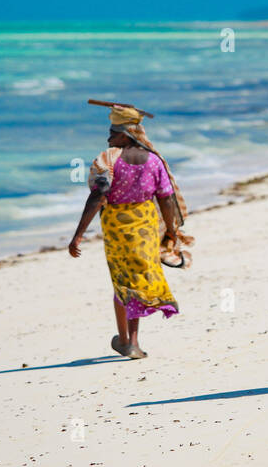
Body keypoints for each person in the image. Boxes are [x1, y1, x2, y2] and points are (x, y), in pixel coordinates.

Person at [68, 104, 190, 359]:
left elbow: (98, 195)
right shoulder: (155, 161)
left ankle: (127, 341)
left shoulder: (110, 159)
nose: (109, 137)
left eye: (113, 132)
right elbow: (166, 198)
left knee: (122, 283)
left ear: (126, 134)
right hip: (145, 226)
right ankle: (130, 340)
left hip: (117, 228)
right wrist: (170, 230)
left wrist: (78, 234)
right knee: (138, 279)